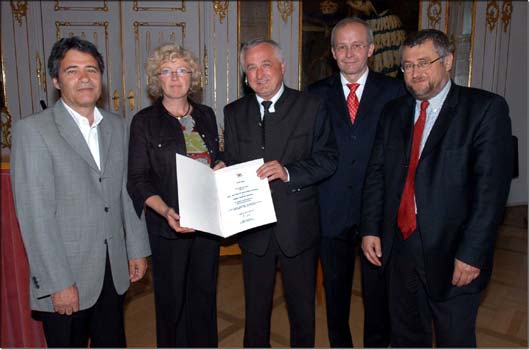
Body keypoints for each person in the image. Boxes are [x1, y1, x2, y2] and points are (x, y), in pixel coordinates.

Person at [360, 29, 513, 347]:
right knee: (405, 337)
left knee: (453, 339)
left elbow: (490, 193)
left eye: (423, 62)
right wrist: (371, 229)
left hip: (454, 253)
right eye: (407, 65)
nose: (414, 72)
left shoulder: (484, 110)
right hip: (399, 248)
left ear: (448, 61)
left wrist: (472, 254)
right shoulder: (393, 113)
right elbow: (377, 175)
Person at [10, 36, 151, 347]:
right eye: (72, 71)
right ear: (56, 81)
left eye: (92, 69)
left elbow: (127, 193)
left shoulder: (117, 125)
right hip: (66, 274)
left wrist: (136, 247)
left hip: (112, 270)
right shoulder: (32, 131)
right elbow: (36, 216)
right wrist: (57, 282)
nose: (85, 78)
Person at [223, 38, 338, 347]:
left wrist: (289, 172)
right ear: (244, 74)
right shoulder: (234, 112)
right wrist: (223, 167)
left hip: (297, 226)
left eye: (266, 65)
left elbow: (328, 159)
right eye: (251, 68)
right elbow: (232, 159)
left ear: (282, 67)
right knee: (255, 309)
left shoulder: (311, 106)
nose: (259, 74)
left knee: (302, 310)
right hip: (253, 228)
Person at [308, 17, 405, 348]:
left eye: (357, 45)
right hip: (330, 212)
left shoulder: (396, 92)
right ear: (333, 52)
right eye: (342, 46)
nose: (350, 53)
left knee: (378, 297)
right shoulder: (315, 95)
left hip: (378, 215)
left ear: (371, 49)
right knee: (335, 298)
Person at [126, 43, 223, 347]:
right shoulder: (144, 121)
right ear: (157, 79)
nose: (175, 77)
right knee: (171, 304)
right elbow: (138, 180)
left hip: (207, 225)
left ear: (192, 76)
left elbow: (215, 158)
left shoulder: (206, 115)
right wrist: (166, 211)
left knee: (204, 298)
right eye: (166, 71)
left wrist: (221, 164)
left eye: (182, 70)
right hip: (169, 227)